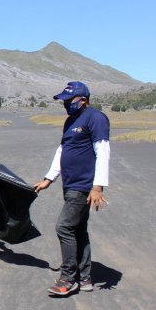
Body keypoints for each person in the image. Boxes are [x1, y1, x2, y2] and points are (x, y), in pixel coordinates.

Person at [34, 81, 110, 296]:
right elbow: (62, 151)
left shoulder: (95, 118)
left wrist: (98, 187)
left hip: (83, 185)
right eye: (64, 101)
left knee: (64, 227)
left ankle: (68, 278)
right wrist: (49, 179)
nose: (66, 104)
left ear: (83, 100)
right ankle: (85, 277)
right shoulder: (71, 121)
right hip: (70, 184)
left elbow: (103, 151)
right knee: (78, 230)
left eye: (69, 100)